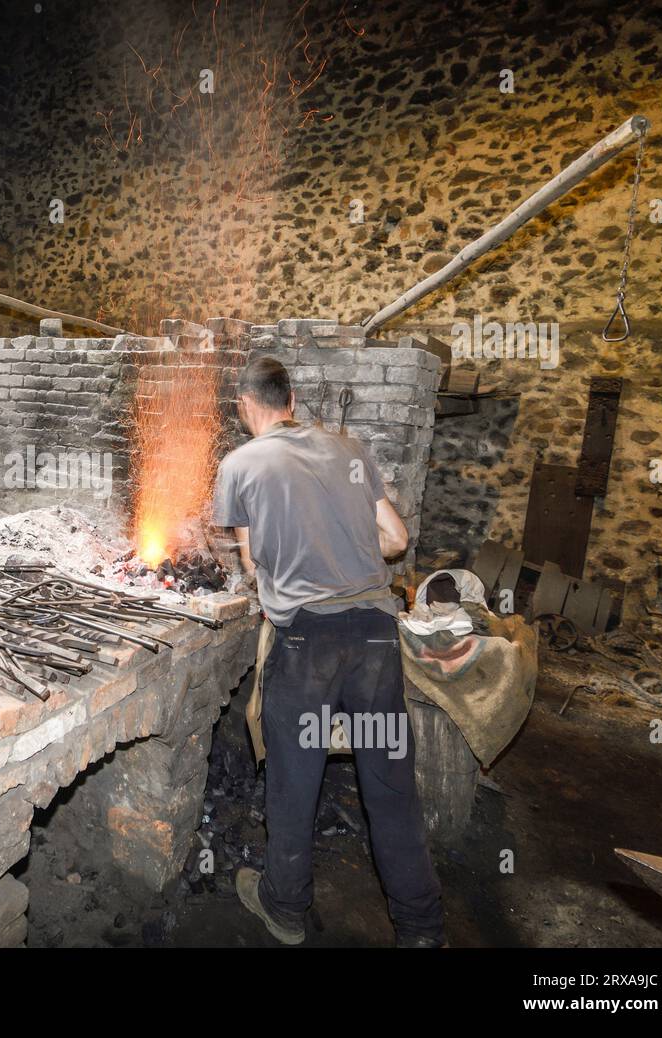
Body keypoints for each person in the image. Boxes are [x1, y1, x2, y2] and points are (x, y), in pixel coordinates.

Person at [212, 355, 445, 948]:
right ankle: (421, 929)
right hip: (374, 637)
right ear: (292, 401)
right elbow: (396, 539)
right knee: (390, 788)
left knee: (295, 781)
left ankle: (285, 909)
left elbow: (251, 562)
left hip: (305, 644)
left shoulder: (240, 465)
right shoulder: (351, 449)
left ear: (246, 406)